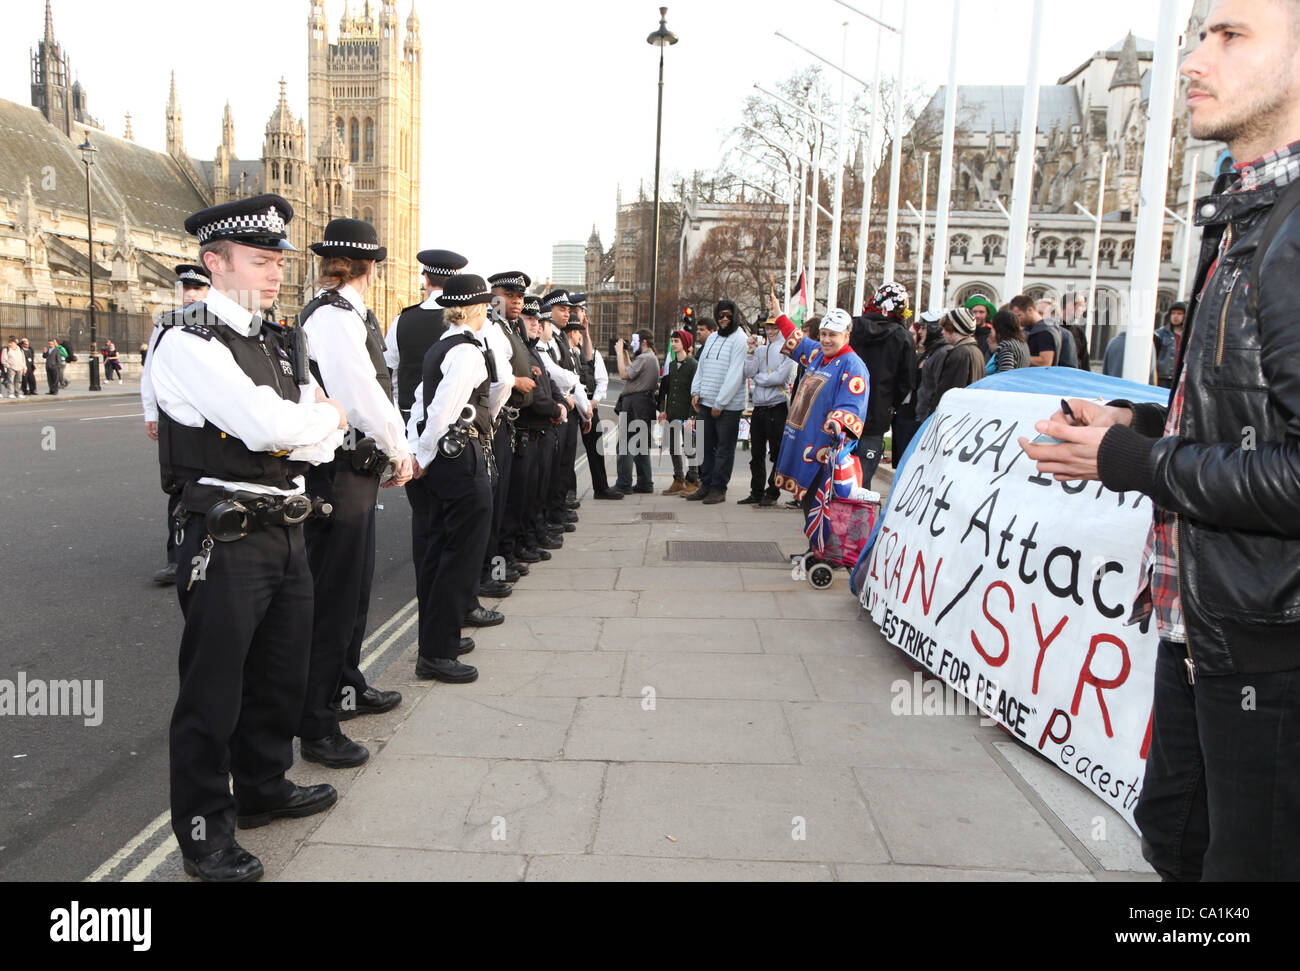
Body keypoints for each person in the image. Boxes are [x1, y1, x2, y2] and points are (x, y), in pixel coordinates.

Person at [1023, 0, 1300, 880]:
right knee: (1178, 844)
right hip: (1202, 625)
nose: (1193, 60)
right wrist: (1138, 424)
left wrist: (1135, 462)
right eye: (1197, 36)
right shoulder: (1244, 214)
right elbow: (1245, 415)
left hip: (1270, 639)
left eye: (1232, 35)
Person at [149, 194, 346, 882]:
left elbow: (325, 442)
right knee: (214, 692)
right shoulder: (186, 337)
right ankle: (205, 834)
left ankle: (263, 787)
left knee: (279, 676)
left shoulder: (279, 339)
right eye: (261, 260)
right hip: (226, 535)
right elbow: (270, 428)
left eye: (277, 261)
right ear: (215, 262)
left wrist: (314, 423)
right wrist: (314, 419)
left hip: (286, 524)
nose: (275, 273)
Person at [295, 218, 412, 768]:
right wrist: (399, 448)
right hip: (336, 472)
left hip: (350, 470)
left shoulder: (343, 314)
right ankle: (317, 724)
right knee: (334, 596)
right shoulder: (336, 320)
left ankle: (345, 684)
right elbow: (361, 394)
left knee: (354, 589)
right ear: (372, 266)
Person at [409, 274, 505, 685]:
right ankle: (438, 652)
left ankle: (436, 638)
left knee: (438, 554)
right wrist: (424, 455)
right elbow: (444, 410)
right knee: (459, 558)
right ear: (479, 309)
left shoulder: (440, 346)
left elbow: (418, 404)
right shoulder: (469, 353)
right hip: (460, 459)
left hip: (444, 460)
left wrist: (418, 452)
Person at [142, 263, 213, 586]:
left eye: (196, 289)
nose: (189, 295)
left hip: (214, 419)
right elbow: (150, 371)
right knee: (179, 489)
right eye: (185, 289)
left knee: (215, 485)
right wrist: (150, 413)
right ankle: (177, 559)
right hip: (177, 422)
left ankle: (211, 555)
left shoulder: (221, 322)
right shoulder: (167, 324)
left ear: (209, 291)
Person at [766, 296, 870, 508]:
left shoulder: (853, 365)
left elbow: (851, 403)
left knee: (822, 507)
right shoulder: (818, 355)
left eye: (833, 335)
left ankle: (819, 543)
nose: (826, 340)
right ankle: (814, 542)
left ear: (847, 336)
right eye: (823, 334)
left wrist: (838, 423)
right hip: (806, 444)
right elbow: (797, 339)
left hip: (824, 453)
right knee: (810, 506)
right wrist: (778, 314)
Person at [479, 271, 538, 595]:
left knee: (505, 504)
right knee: (494, 505)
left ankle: (498, 567)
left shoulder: (506, 327)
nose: (517, 301)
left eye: (520, 296)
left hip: (509, 423)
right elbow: (498, 378)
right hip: (496, 422)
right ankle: (490, 573)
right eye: (510, 294)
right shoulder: (490, 327)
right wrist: (516, 381)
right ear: (494, 296)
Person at [850, 281, 917, 485]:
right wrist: (891, 404)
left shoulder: (853, 328)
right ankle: (858, 514)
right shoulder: (903, 338)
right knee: (864, 476)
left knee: (840, 472)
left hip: (847, 409)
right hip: (877, 413)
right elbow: (906, 382)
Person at [688, 299, 748, 504]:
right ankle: (706, 485)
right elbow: (701, 366)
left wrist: (720, 403)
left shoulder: (740, 339)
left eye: (728, 316)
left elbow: (735, 374)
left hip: (728, 406)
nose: (724, 319)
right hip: (706, 401)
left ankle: (718, 488)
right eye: (720, 315)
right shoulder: (712, 338)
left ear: (735, 317)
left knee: (724, 449)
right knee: (704, 446)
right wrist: (696, 392)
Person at [567, 293, 621, 500]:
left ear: (583, 316)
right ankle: (570, 492)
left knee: (596, 448)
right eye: (570, 311)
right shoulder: (562, 344)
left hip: (590, 403)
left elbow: (601, 380)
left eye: (577, 312)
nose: (573, 315)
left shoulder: (592, 349)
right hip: (571, 404)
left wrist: (594, 401)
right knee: (568, 451)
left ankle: (601, 488)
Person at [740, 316, 795, 505]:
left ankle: (773, 491)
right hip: (759, 408)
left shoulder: (786, 349)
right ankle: (756, 491)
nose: (770, 332)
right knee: (756, 454)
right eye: (768, 328)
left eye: (774, 328)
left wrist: (759, 378)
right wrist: (750, 352)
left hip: (777, 406)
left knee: (777, 453)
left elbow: (779, 378)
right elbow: (748, 372)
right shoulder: (761, 349)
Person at [613, 329, 660, 494]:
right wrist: (626, 354)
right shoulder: (650, 358)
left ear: (644, 342)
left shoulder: (644, 357)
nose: (633, 345)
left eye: (636, 341)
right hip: (644, 404)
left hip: (634, 403)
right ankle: (645, 483)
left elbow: (624, 374)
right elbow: (632, 369)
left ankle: (623, 483)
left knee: (626, 444)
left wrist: (619, 353)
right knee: (640, 445)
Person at [657, 328, 700, 495]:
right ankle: (679, 479)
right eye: (672, 341)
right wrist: (663, 410)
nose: (673, 344)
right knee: (674, 447)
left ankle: (693, 480)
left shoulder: (693, 365)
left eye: (677, 341)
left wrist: (692, 416)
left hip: (687, 413)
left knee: (690, 447)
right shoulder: (672, 366)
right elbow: (667, 391)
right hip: (673, 413)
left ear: (685, 344)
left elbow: (694, 391)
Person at [933, 307, 985, 402]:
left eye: (945, 327)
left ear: (953, 328)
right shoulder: (976, 351)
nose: (942, 332)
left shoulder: (960, 353)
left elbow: (949, 391)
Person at [913, 311, 952, 423]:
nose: (920, 331)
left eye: (923, 328)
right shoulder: (933, 351)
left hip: (928, 417)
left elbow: (935, 388)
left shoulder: (942, 352)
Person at [1010, 295, 1059, 367]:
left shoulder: (1044, 331)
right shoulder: (1034, 329)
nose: (1017, 320)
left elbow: (1045, 362)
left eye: (1019, 315)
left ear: (1030, 310)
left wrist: (1015, 357)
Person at [1036, 298, 1078, 368]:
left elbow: (1069, 366)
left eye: (1041, 313)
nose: (1037, 316)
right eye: (1036, 312)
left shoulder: (1065, 335)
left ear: (1054, 315)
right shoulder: (1030, 331)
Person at [1153, 302, 1185, 388]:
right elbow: (1153, 357)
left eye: (1179, 313)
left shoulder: (1189, 336)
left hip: (1180, 378)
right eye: (1173, 313)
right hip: (1162, 378)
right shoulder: (1159, 334)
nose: (1175, 316)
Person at [1061, 293, 1093, 371]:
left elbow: (1084, 360)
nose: (1084, 309)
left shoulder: (1079, 331)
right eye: (1081, 305)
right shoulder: (1053, 328)